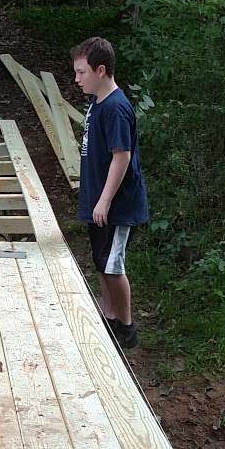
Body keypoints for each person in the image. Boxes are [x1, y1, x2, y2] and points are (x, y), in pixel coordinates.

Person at [72, 36, 149, 350]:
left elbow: (122, 156)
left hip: (116, 205)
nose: (77, 79)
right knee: (101, 260)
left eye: (81, 73)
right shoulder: (96, 101)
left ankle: (127, 327)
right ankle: (110, 317)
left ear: (100, 70)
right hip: (97, 201)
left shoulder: (116, 108)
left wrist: (104, 200)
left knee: (113, 265)